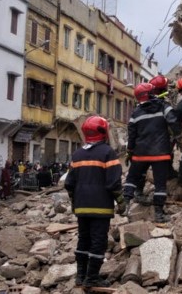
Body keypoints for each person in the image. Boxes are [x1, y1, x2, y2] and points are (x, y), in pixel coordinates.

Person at [65, 115, 124, 289]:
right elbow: (113, 183)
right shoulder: (107, 153)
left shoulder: (77, 154)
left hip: (81, 207)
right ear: (103, 131)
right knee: (98, 242)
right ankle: (92, 278)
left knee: (83, 239)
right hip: (101, 208)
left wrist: (75, 202)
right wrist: (121, 202)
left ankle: (80, 275)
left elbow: (69, 183)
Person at [123, 81, 182, 224]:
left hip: (140, 153)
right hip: (160, 153)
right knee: (160, 185)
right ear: (151, 93)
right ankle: (158, 215)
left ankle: (124, 207)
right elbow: (174, 122)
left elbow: (131, 134)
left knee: (131, 179)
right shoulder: (163, 107)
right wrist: (178, 137)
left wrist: (130, 151)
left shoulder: (135, 113)